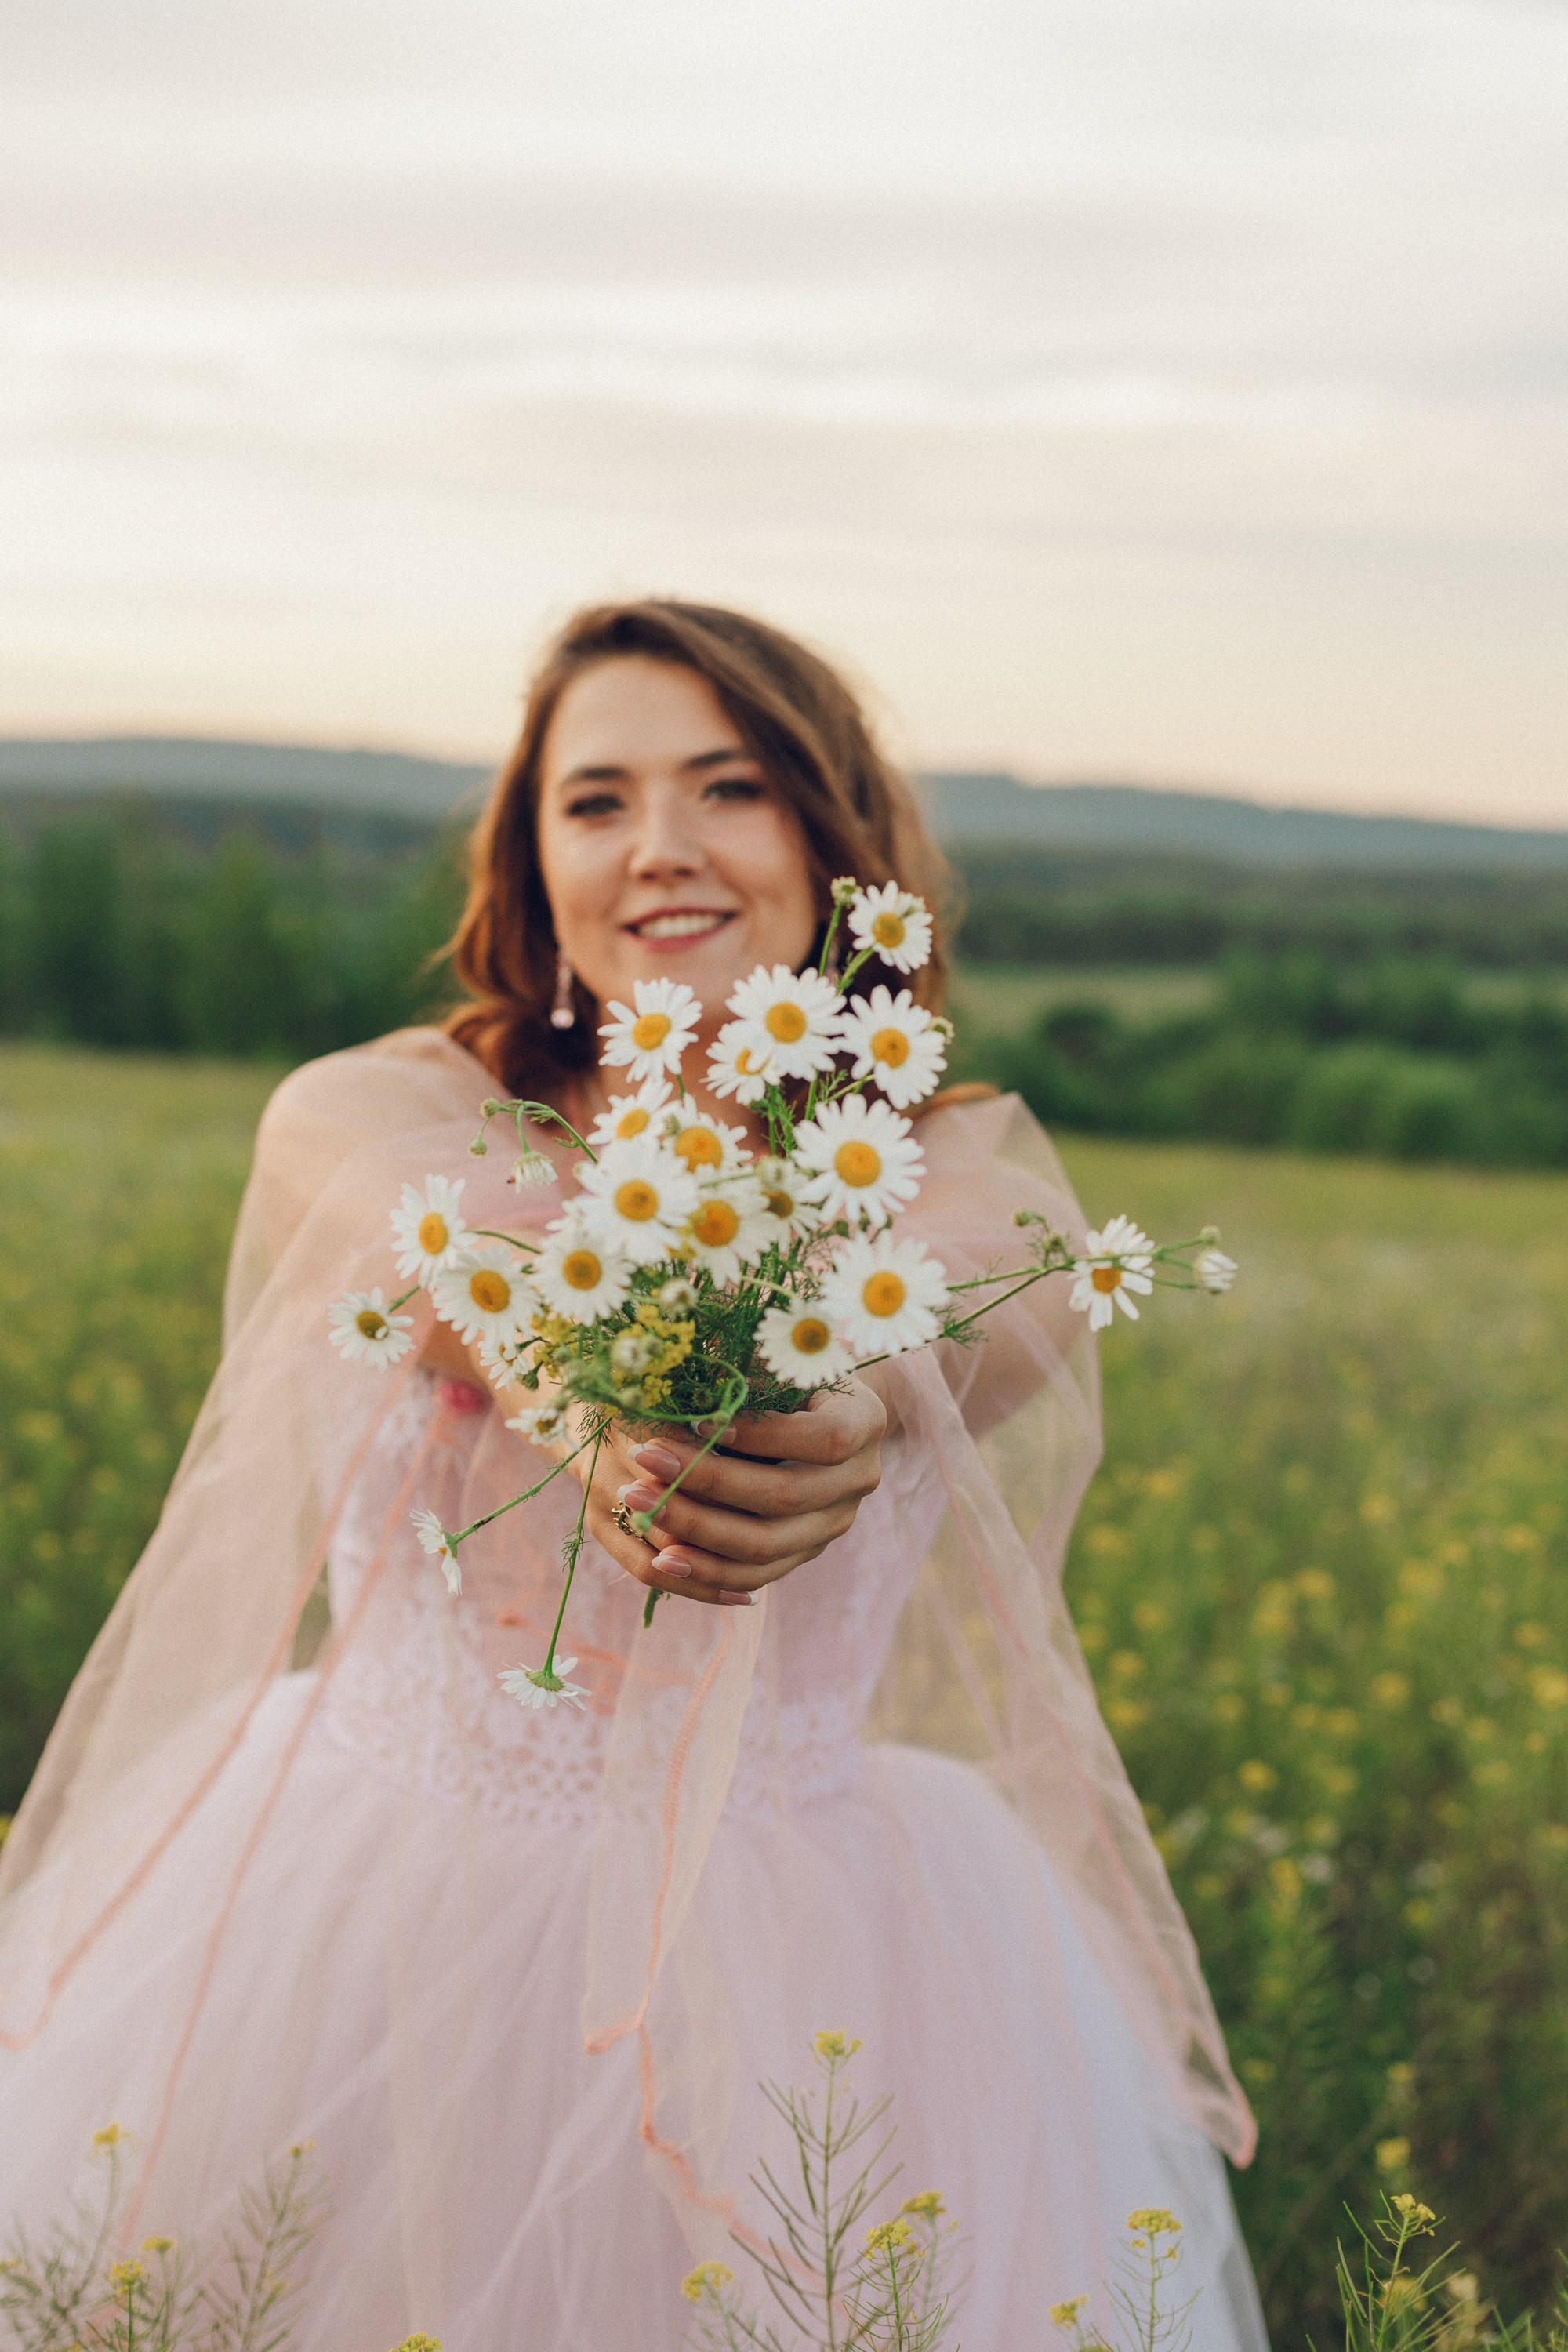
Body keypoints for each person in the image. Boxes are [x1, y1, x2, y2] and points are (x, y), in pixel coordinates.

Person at [0, 601, 1267, 2350]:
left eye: (728, 788)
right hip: (370, 1911)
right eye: (594, 802)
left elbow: (996, 1288)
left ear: (835, 843)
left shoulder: (954, 1175)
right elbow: (417, 1237)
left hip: (813, 1951)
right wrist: (570, 1388)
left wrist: (853, 1396)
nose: (658, 849)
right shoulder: (381, 1110)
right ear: (533, 865)